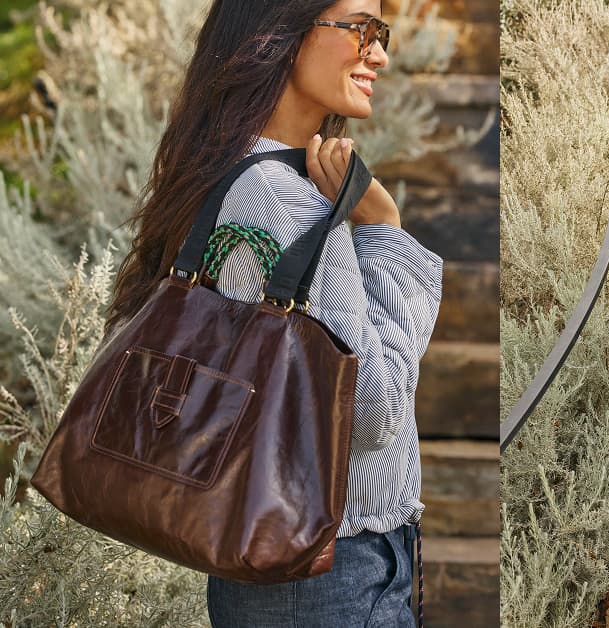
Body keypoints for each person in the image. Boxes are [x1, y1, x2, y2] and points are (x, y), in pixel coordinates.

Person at [105, 1, 440, 625]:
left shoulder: (232, 173)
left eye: (382, 34)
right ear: (282, 29)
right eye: (362, 29)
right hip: (324, 571)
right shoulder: (289, 203)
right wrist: (386, 231)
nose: (379, 54)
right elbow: (371, 414)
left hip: (284, 566)